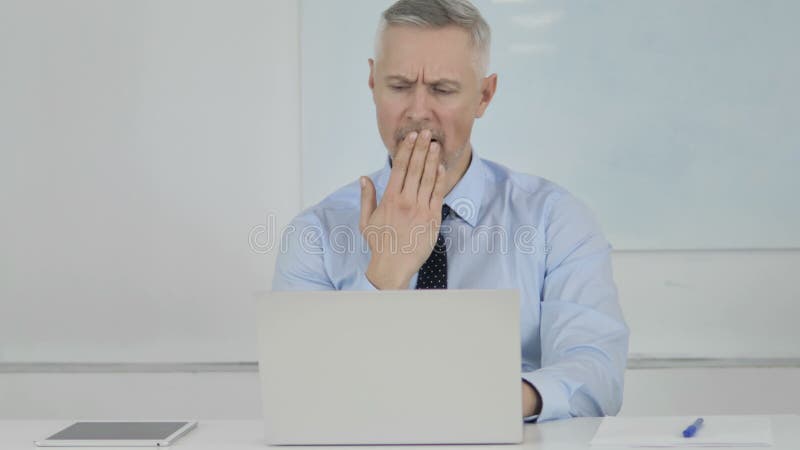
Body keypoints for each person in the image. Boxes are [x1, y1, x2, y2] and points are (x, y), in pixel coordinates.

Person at [272, 0, 629, 422]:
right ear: (372, 82)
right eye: (400, 86)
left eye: (442, 89)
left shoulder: (556, 220)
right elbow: (303, 395)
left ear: (484, 95)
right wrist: (385, 274)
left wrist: (480, 398)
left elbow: (597, 375)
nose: (418, 110)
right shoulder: (315, 233)